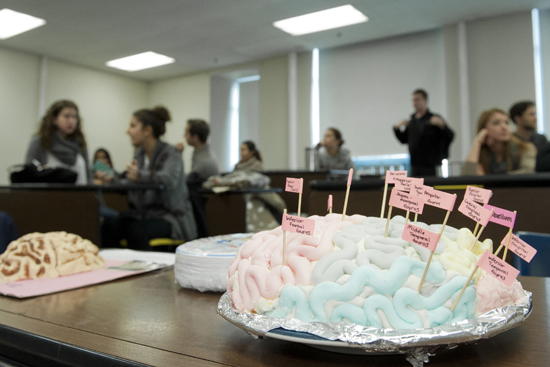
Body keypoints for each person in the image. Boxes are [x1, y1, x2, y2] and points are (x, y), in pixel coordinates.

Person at [102, 106, 197, 249]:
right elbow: (133, 180)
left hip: (171, 217)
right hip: (145, 215)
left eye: (133, 126)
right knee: (109, 227)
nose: (128, 131)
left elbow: (169, 179)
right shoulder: (139, 154)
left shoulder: (171, 153)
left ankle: (144, 270)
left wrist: (141, 176)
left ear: (147, 130)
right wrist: (112, 179)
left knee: (136, 231)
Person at [25, 100, 92, 184]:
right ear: (54, 119)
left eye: (74, 117)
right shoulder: (40, 142)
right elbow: (28, 173)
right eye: (66, 116)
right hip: (49, 196)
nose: (71, 121)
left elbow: (88, 176)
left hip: (80, 195)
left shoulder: (80, 142)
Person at [393, 89, 454, 177]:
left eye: (417, 100)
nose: (414, 103)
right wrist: (396, 129)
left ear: (425, 101)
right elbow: (403, 140)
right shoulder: (412, 121)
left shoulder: (433, 119)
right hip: (414, 165)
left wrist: (442, 126)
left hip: (430, 166)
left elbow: (450, 136)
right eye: (413, 100)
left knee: (429, 188)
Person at [462, 108, 536, 175]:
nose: (504, 127)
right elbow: (467, 178)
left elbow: (527, 173)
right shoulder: (479, 152)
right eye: (496, 123)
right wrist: (477, 142)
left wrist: (487, 179)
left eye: (507, 123)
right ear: (484, 129)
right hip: (488, 190)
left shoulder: (525, 147)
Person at [181, 119, 219, 185]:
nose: (184, 135)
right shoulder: (199, 152)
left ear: (195, 138)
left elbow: (185, 181)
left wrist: (177, 155)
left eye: (186, 133)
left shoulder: (204, 162)